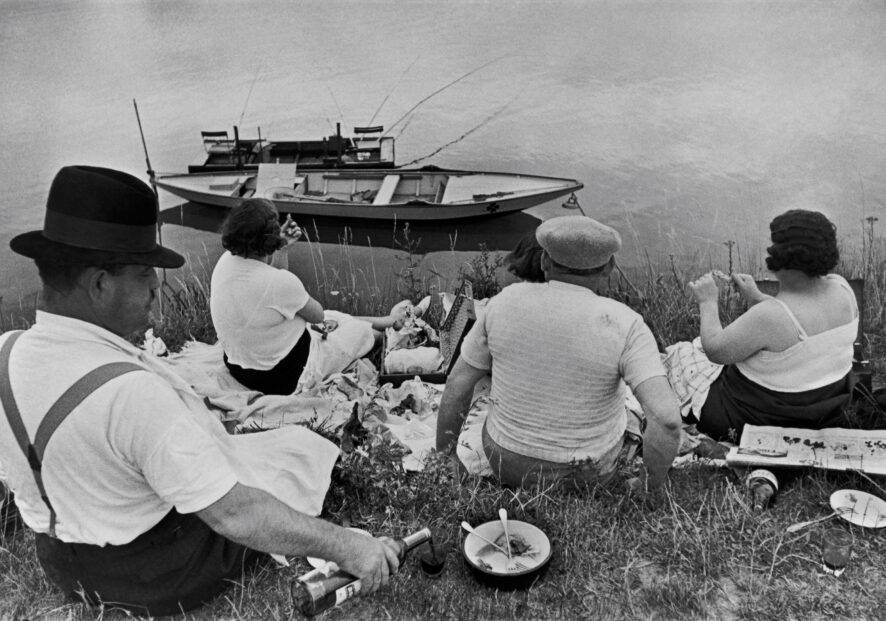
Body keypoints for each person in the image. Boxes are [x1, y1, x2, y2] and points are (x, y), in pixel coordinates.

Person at [0, 166, 401, 615]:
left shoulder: (4, 351)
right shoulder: (132, 393)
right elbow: (234, 515)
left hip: (59, 561)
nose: (156, 286)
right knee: (294, 459)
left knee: (274, 453)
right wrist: (349, 548)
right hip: (155, 572)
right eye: (144, 273)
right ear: (99, 284)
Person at [435, 215, 681, 493]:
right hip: (588, 473)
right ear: (609, 267)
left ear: (544, 261)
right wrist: (650, 484)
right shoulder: (627, 323)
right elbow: (667, 420)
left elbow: (458, 383)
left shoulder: (503, 302)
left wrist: (447, 456)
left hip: (505, 461)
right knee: (629, 410)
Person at [685, 209, 858, 442]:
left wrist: (707, 301)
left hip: (762, 416)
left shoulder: (770, 316)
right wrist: (756, 297)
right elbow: (797, 324)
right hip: (826, 407)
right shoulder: (842, 290)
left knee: (684, 356)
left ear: (780, 256)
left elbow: (715, 350)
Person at [209, 198, 406, 395]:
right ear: (270, 238)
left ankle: (389, 320)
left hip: (241, 370)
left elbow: (273, 290)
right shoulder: (280, 283)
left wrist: (282, 248)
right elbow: (317, 316)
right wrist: (280, 246)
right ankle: (389, 328)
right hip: (282, 376)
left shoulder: (225, 263)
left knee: (335, 318)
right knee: (358, 332)